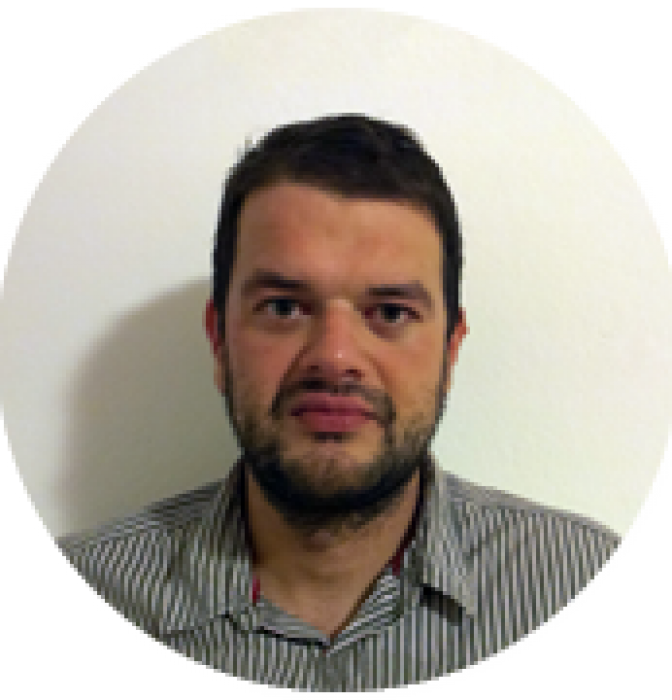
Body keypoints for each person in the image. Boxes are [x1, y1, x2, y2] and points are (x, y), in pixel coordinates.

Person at [59, 114, 619, 690]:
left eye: (391, 313)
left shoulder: (591, 594)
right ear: (219, 340)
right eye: (283, 307)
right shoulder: (69, 608)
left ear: (451, 350)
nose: (334, 357)